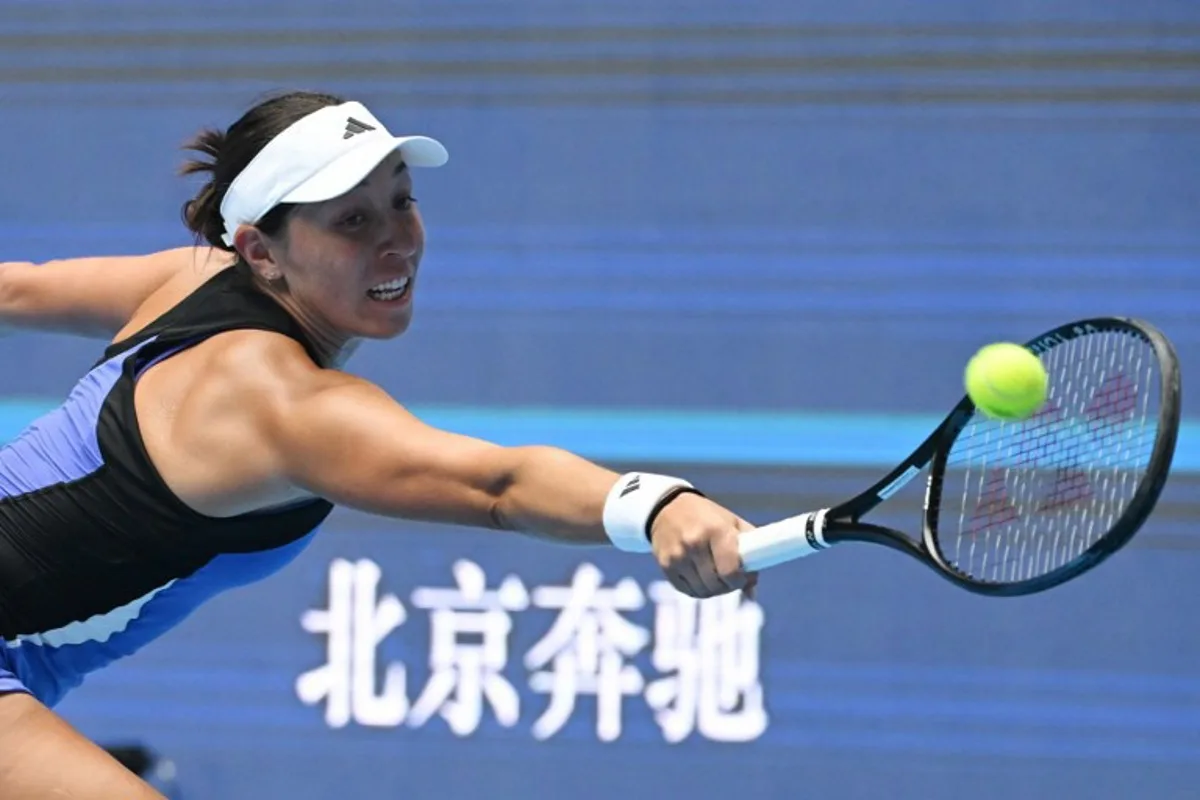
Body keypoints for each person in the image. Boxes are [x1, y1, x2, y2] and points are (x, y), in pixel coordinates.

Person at [0, 91, 757, 797]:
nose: (396, 239)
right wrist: (654, 506)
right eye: (351, 221)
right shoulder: (289, 410)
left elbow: (14, 288)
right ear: (261, 250)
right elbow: (499, 487)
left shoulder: (183, 280)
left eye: (401, 201)